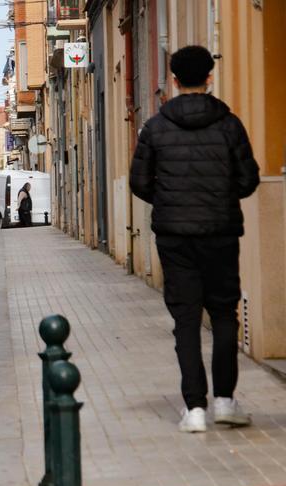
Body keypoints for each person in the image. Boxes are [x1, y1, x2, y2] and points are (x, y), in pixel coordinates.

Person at [130, 45, 259, 433]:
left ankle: (195, 409)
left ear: (173, 80)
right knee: (223, 314)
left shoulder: (156, 127)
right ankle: (224, 402)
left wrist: (169, 202)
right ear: (209, 77)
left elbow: (139, 182)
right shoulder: (229, 124)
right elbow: (248, 179)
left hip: (174, 237)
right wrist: (220, 198)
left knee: (185, 319)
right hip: (220, 234)